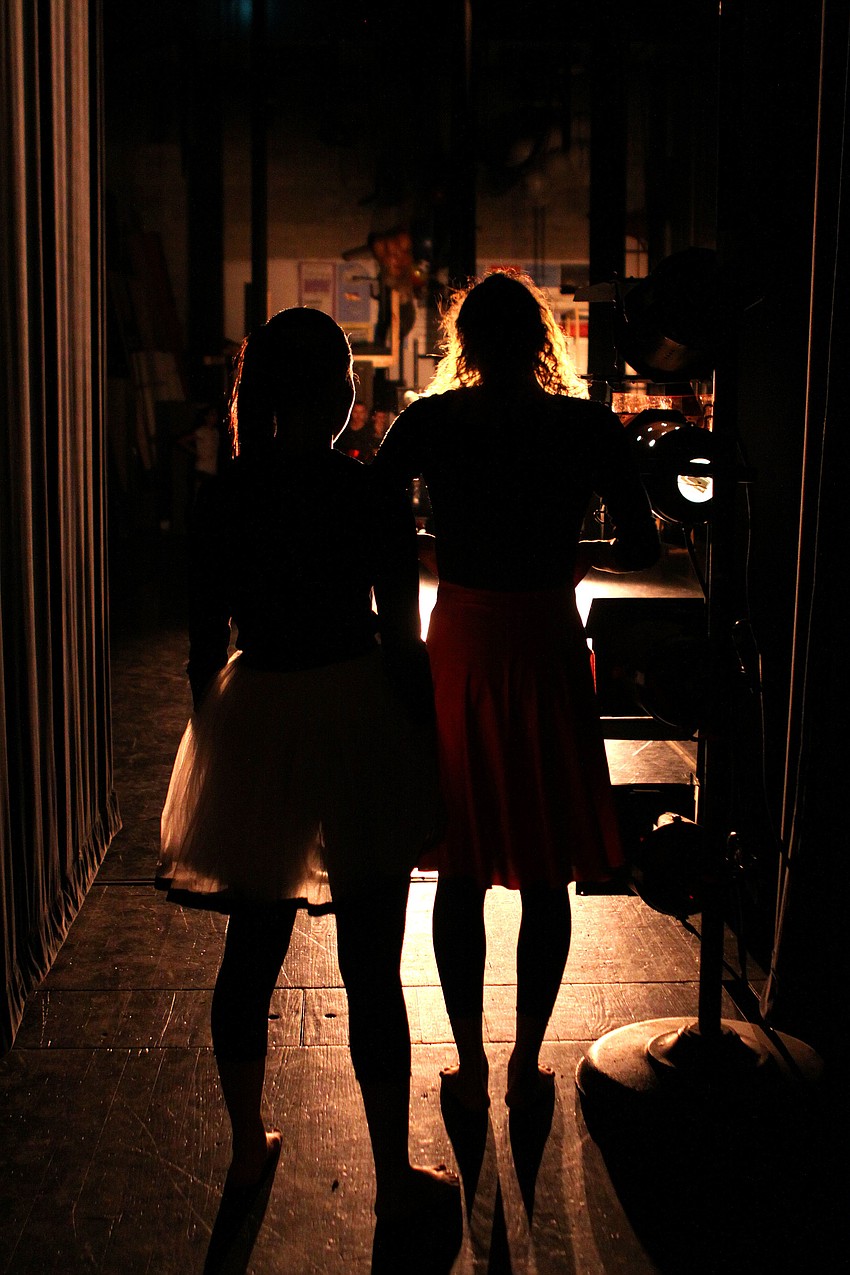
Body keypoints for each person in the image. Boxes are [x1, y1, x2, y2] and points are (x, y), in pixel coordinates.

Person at [156, 308, 458, 1240]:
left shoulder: (225, 495)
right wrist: (429, 748)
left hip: (263, 708)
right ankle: (391, 1177)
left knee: (250, 952)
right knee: (372, 967)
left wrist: (222, 741)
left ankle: (249, 1147)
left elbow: (206, 644)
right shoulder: (367, 494)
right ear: (339, 393)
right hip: (357, 706)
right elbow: (404, 644)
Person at [373, 271, 660, 1112]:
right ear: (543, 340)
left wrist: (433, 541)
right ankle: (527, 1057)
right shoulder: (584, 425)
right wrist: (577, 555)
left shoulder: (432, 421)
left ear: (467, 340)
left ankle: (465, 1057)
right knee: (546, 863)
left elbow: (371, 514)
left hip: (459, 643)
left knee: (458, 861)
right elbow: (640, 546)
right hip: (545, 643)